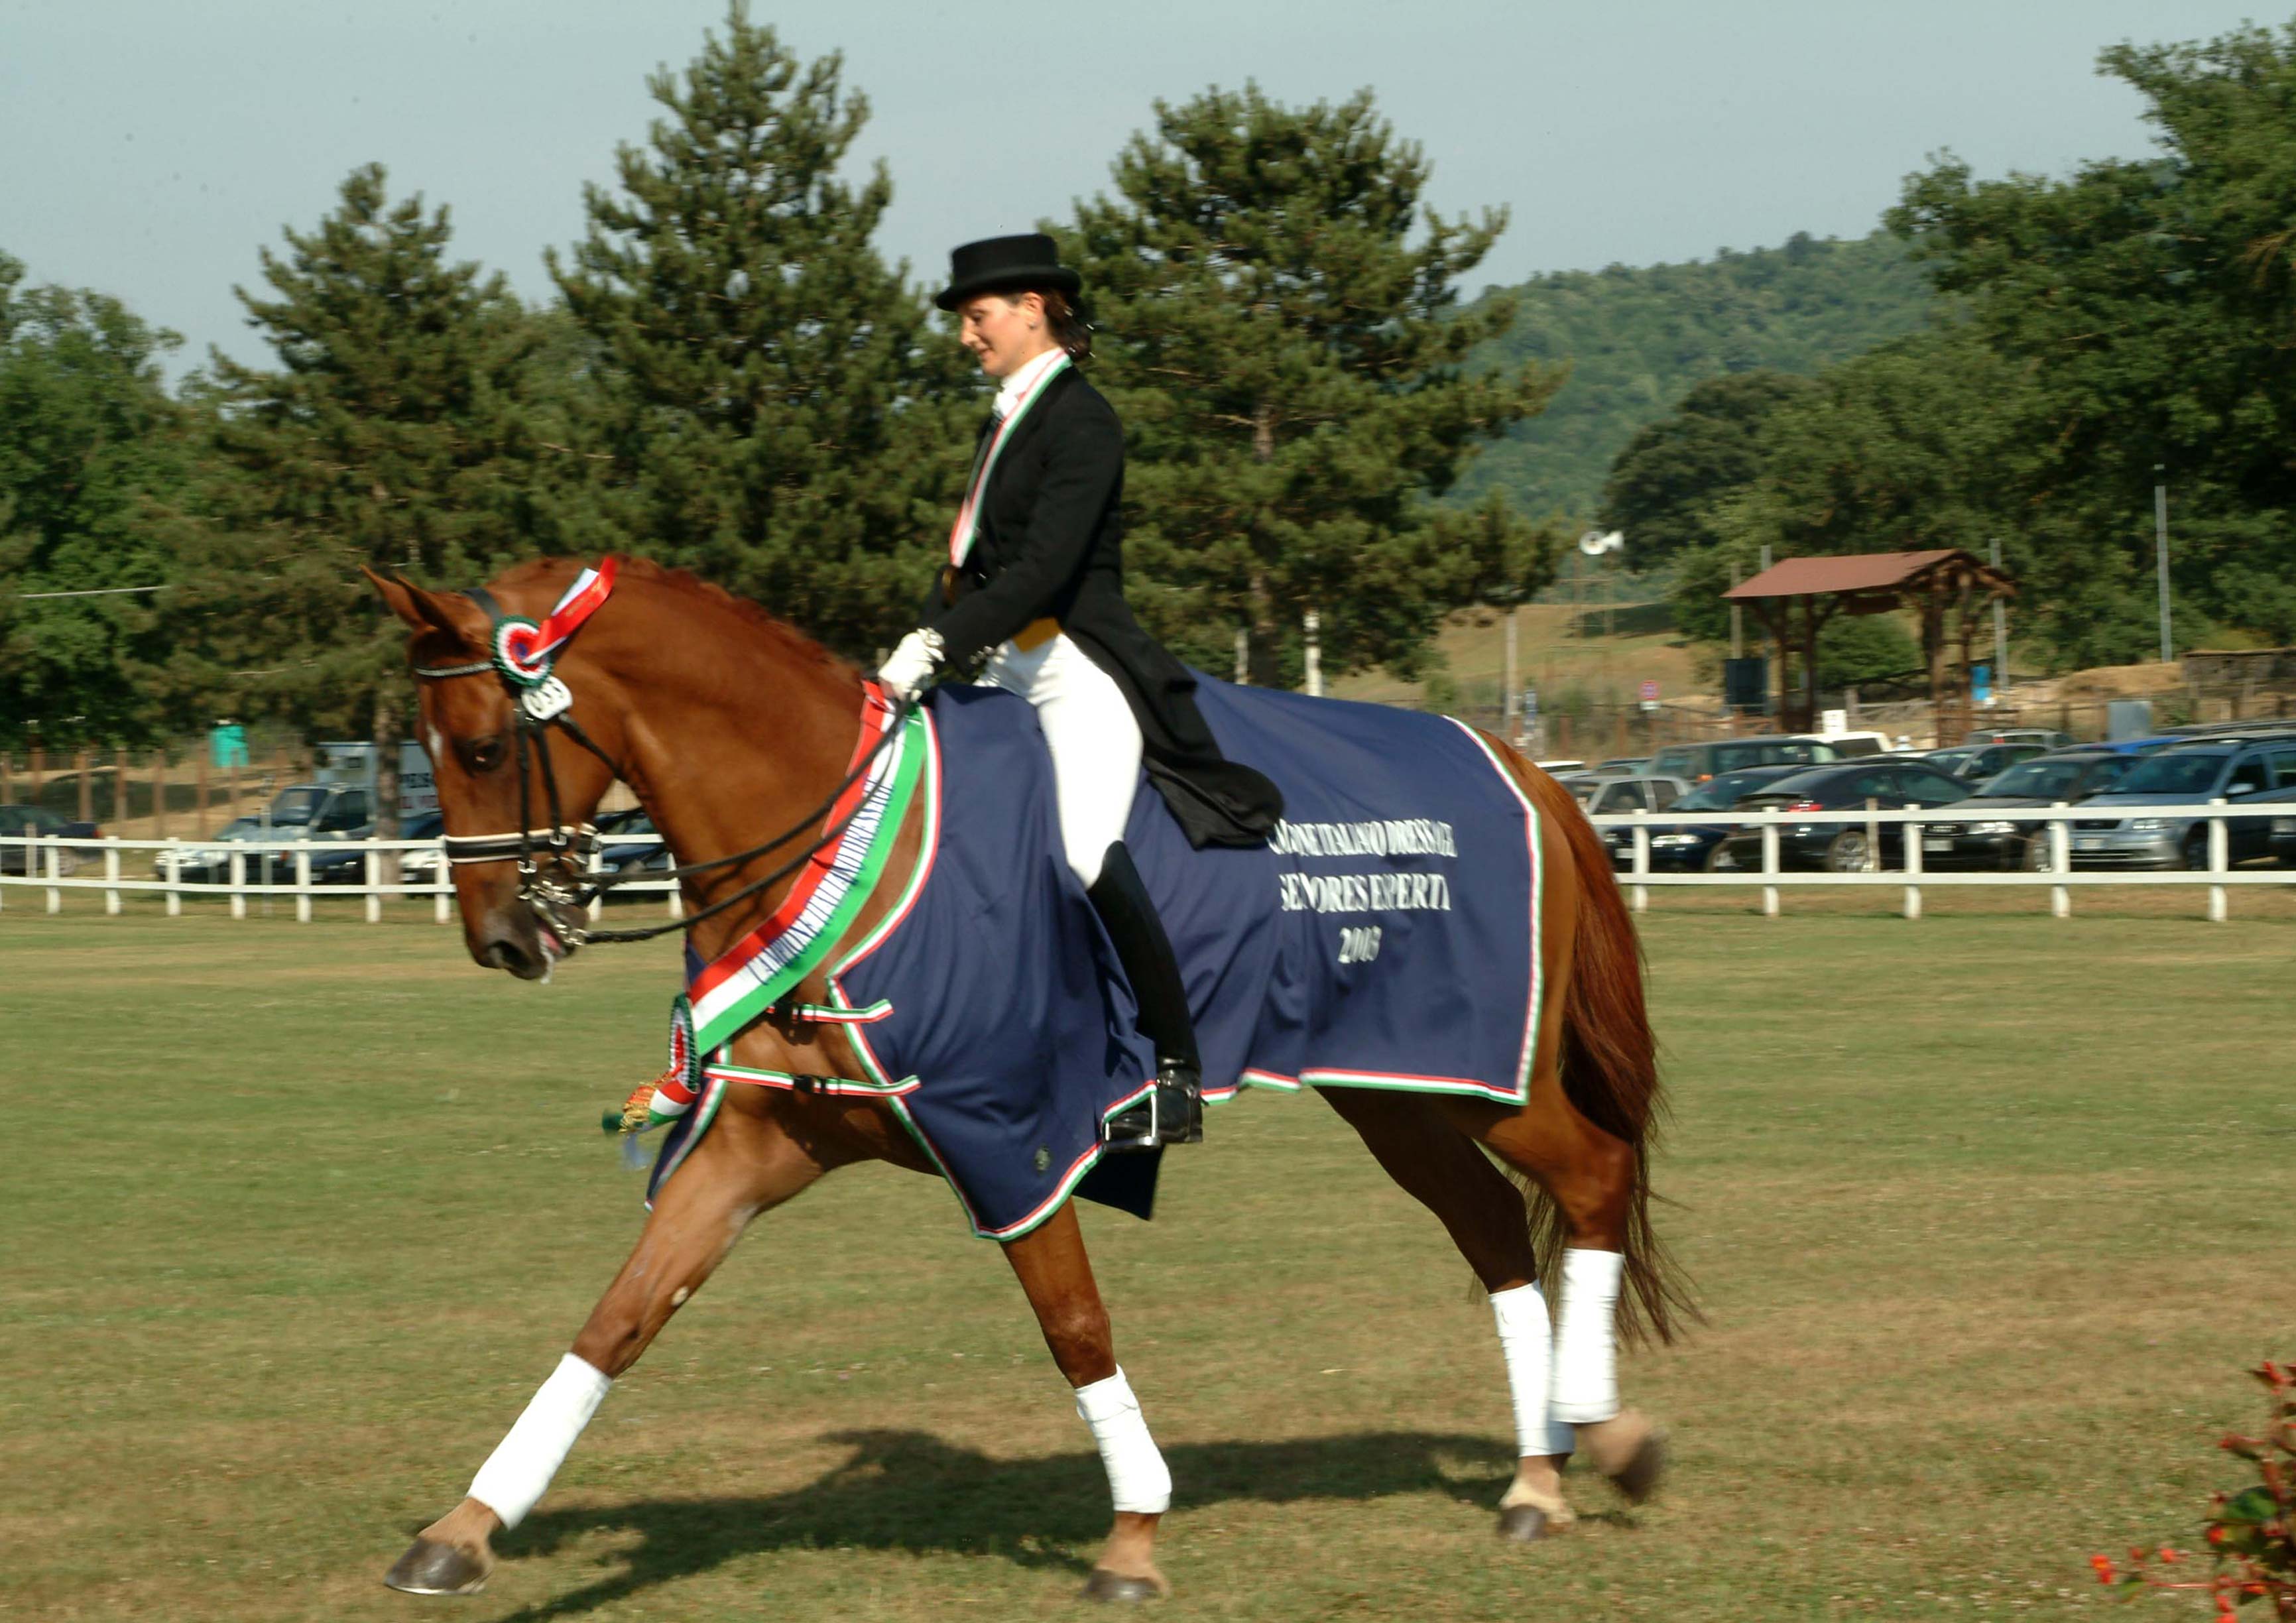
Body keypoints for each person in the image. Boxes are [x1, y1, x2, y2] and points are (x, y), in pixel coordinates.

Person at [876, 233, 1282, 1152]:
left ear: (1030, 306)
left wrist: (934, 647)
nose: (966, 337)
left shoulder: (1083, 420)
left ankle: (1176, 1074)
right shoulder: (1008, 418)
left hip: (1074, 665)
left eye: (977, 318)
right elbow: (971, 570)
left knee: (1085, 852)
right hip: (997, 665)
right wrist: (914, 645)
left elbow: (1048, 569)